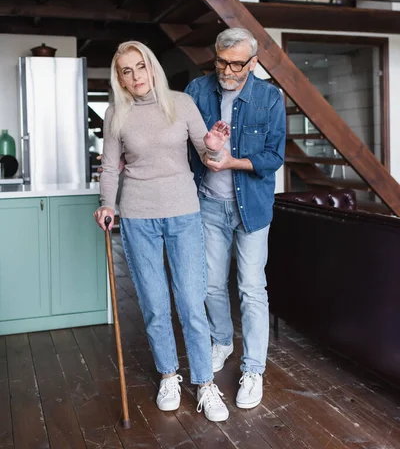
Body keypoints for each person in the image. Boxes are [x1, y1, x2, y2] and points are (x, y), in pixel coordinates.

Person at [94, 41, 230, 422]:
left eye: (141, 67)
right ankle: (169, 375)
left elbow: (209, 155)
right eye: (127, 71)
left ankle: (205, 383)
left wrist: (215, 148)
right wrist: (108, 204)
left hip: (184, 213)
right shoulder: (115, 115)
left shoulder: (181, 104)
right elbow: (109, 167)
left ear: (152, 67)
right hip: (138, 217)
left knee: (191, 302)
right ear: (119, 78)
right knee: (155, 305)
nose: (136, 76)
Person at [185, 28, 286, 409]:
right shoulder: (197, 90)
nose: (226, 70)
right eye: (221, 61)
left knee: (251, 288)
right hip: (208, 203)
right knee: (210, 285)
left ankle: (253, 369)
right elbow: (183, 140)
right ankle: (223, 341)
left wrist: (232, 162)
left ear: (253, 62)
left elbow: (274, 157)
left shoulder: (269, 97)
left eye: (236, 64)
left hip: (253, 209)